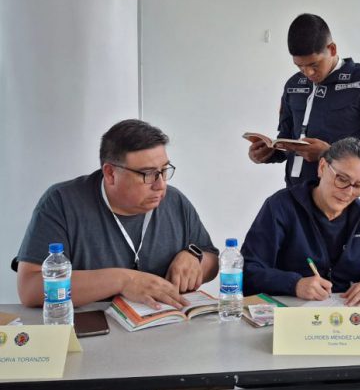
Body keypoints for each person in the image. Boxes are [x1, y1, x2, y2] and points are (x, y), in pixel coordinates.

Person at [16, 119, 219, 310]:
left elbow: (212, 261)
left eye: (164, 170)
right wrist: (123, 280)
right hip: (91, 328)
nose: (160, 185)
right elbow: (30, 289)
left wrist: (195, 258)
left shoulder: (175, 201)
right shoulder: (62, 202)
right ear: (110, 173)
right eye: (148, 174)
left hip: (165, 326)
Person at [248, 13, 360, 187]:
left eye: (314, 64)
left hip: (340, 193)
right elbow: (287, 140)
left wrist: (331, 153)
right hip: (295, 192)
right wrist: (268, 153)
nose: (308, 73)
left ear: (332, 49)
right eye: (300, 66)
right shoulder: (293, 84)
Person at [242, 138, 360, 305]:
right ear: (322, 167)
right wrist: (295, 284)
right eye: (342, 179)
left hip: (345, 314)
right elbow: (248, 271)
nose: (348, 192)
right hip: (288, 312)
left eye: (358, 185)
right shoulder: (281, 206)